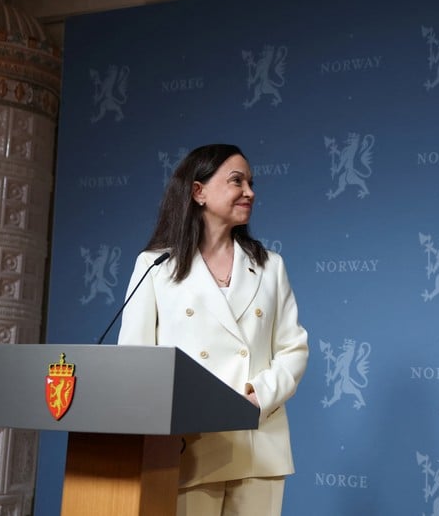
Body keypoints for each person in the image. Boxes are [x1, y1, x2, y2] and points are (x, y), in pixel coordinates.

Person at [117, 143, 309, 516]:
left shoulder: (270, 266)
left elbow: (294, 349)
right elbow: (135, 360)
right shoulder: (155, 266)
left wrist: (257, 396)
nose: (250, 192)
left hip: (258, 444)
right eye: (236, 181)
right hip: (185, 447)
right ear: (198, 191)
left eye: (251, 183)